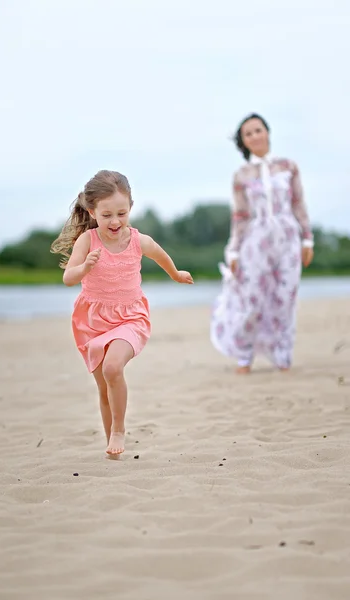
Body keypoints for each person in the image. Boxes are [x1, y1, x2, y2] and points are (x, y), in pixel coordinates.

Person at [51, 170, 193, 455]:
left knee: (113, 367)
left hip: (130, 317)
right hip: (91, 321)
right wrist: (84, 268)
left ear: (130, 208)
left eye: (122, 213)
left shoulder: (139, 240)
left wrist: (176, 274)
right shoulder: (87, 242)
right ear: (92, 212)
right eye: (106, 215)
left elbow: (160, 255)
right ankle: (112, 447)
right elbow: (69, 278)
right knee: (105, 388)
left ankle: (119, 430)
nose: (115, 221)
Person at [210, 113, 314, 374]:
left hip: (288, 238)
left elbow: (299, 203)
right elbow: (240, 216)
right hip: (255, 241)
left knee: (285, 297)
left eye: (258, 130)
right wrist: (233, 251)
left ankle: (282, 356)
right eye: (248, 134)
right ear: (243, 142)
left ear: (267, 132)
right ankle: (244, 355)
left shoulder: (288, 167)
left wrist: (307, 239)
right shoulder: (241, 175)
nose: (254, 136)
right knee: (252, 297)